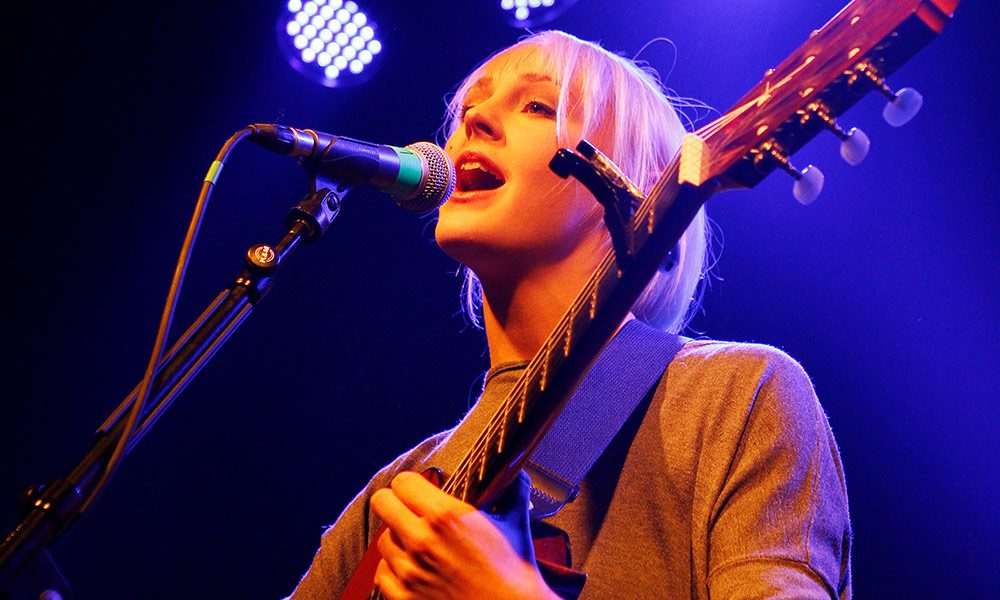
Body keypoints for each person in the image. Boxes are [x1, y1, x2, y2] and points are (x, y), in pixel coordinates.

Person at [286, 30, 852, 599]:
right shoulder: (396, 494)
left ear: (634, 186)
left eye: (538, 106)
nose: (474, 124)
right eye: (469, 110)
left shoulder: (737, 396)